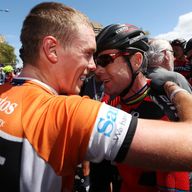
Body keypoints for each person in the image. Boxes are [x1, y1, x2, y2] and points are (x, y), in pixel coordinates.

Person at [1, 2, 192, 192]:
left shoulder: (5, 92)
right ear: (51, 49)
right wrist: (177, 91)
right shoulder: (71, 112)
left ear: (136, 61)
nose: (94, 67)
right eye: (89, 54)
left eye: (104, 59)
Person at [94, 24, 191, 192]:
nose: (97, 70)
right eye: (96, 62)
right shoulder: (109, 101)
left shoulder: (162, 108)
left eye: (104, 60)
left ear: (136, 61)